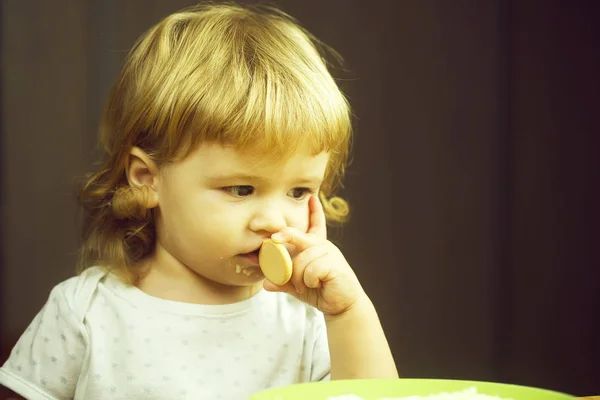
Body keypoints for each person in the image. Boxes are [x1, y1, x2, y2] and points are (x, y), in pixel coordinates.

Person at [0, 3, 398, 399]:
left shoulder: (309, 322)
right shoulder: (86, 312)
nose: (276, 221)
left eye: (298, 191)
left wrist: (348, 314)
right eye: (241, 189)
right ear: (147, 179)